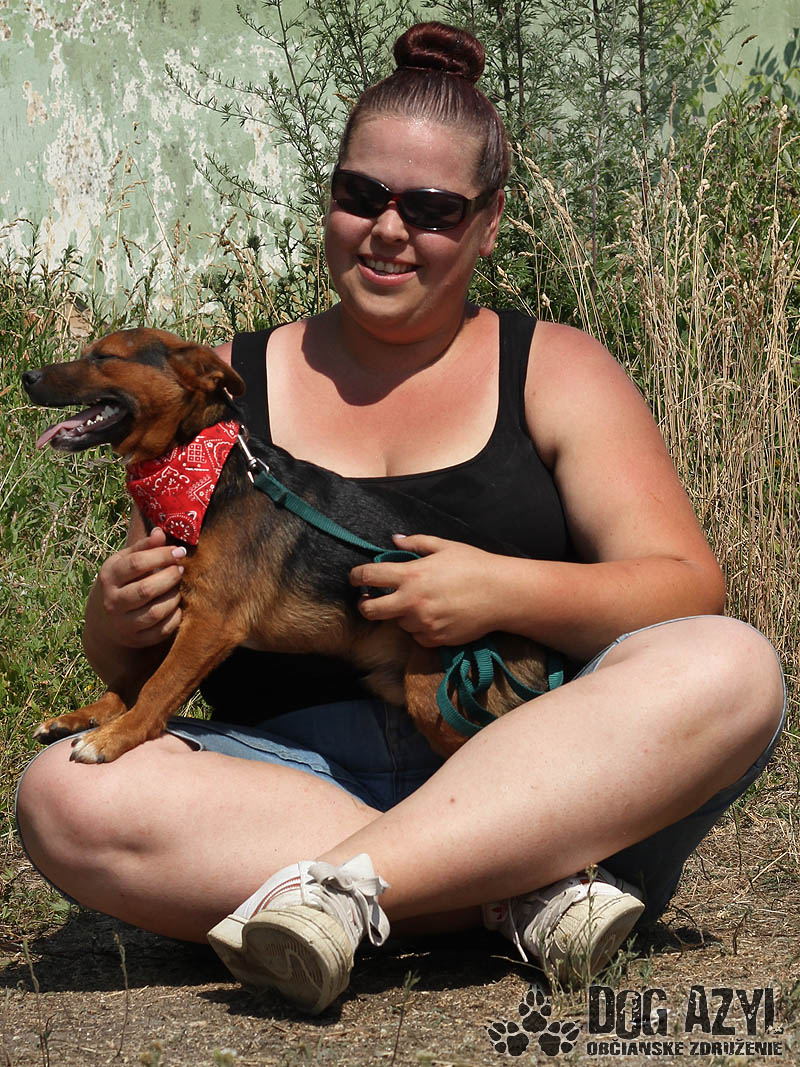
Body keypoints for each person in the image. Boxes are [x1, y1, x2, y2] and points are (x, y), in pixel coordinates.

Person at [16, 22, 785, 1015]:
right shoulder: (220, 381)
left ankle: (345, 891)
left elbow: (684, 587)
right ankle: (512, 890)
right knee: (62, 797)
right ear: (329, 199)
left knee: (730, 665)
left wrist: (499, 589)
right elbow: (159, 644)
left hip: (535, 760)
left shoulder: (554, 367)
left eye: (430, 208)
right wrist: (112, 618)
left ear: (487, 221)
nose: (387, 229)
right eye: (360, 195)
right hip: (282, 780)